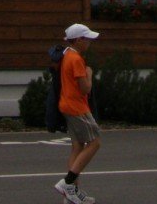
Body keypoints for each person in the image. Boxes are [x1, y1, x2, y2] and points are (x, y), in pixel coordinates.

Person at [54, 23, 101, 204]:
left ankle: (72, 194)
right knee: (95, 142)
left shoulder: (66, 55)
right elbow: (85, 89)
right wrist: (89, 73)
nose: (89, 42)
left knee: (78, 146)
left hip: (66, 105)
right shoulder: (76, 60)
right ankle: (67, 183)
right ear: (79, 40)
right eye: (87, 39)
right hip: (77, 108)